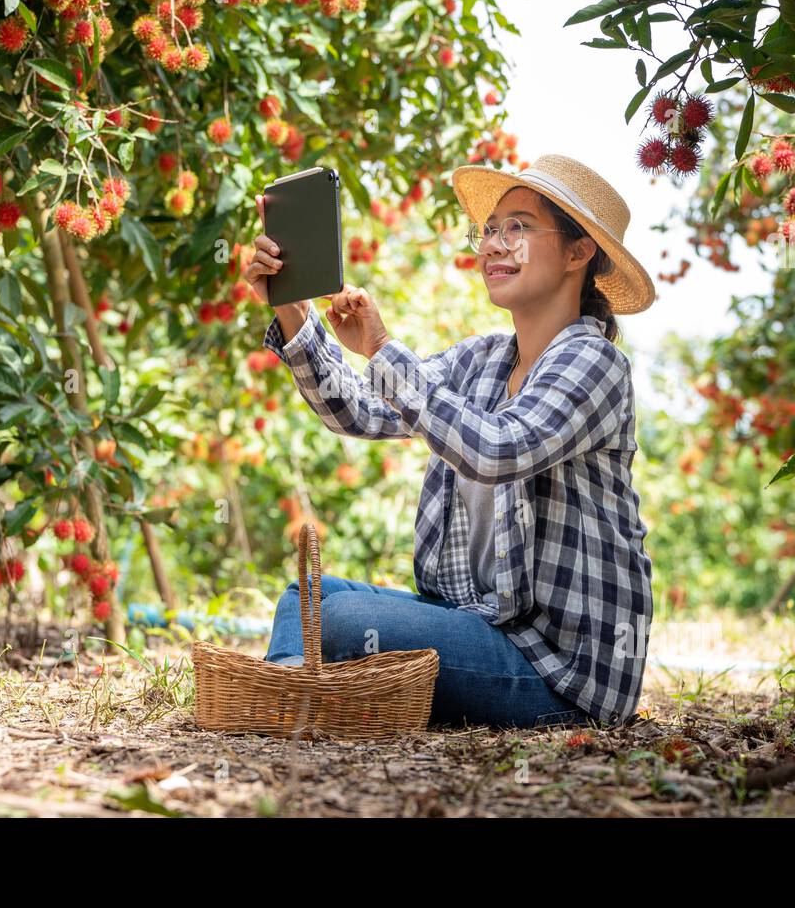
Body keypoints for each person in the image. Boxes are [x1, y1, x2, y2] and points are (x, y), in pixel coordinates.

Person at [246, 153, 656, 729]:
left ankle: (297, 695)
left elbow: (497, 449)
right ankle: (290, 697)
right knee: (305, 597)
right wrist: (292, 306)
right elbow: (360, 413)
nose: (493, 244)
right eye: (489, 229)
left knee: (340, 621)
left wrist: (386, 351)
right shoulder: (483, 358)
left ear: (577, 251)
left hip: (558, 672)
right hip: (480, 623)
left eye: (517, 227)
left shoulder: (595, 362)